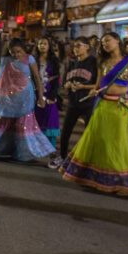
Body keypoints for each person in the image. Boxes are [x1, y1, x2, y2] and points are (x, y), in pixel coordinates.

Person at [59, 32, 128, 196]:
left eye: (107, 40)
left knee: (118, 143)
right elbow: (98, 85)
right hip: (102, 105)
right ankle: (97, 178)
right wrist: (93, 91)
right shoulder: (102, 62)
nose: (104, 44)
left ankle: (123, 184)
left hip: (120, 107)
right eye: (103, 42)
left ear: (117, 40)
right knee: (99, 141)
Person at [0, 38, 54, 161]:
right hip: (7, 98)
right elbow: (1, 80)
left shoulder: (29, 59)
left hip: (24, 98)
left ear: (22, 48)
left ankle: (24, 152)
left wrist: (41, 97)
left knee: (23, 126)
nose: (16, 55)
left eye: (18, 51)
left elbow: (37, 78)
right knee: (1, 123)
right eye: (13, 52)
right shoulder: (5, 60)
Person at [48, 37, 98, 169]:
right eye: (73, 46)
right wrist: (68, 84)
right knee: (65, 133)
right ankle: (63, 157)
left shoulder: (94, 63)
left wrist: (83, 87)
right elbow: (64, 82)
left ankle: (88, 161)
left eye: (78, 46)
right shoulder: (72, 63)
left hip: (88, 103)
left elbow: (98, 85)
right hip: (73, 103)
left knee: (90, 134)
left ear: (87, 47)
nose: (75, 49)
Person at [33, 37, 61, 149]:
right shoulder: (33, 59)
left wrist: (53, 95)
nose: (42, 46)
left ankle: (50, 148)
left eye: (45, 44)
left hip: (49, 93)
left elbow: (56, 79)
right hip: (35, 94)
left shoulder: (53, 60)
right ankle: (36, 147)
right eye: (40, 43)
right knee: (36, 119)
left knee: (50, 120)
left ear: (49, 46)